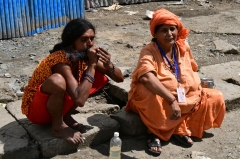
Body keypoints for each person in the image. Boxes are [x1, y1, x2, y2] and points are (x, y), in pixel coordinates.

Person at [125, 9, 225, 155]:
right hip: (162, 98)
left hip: (184, 97)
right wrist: (171, 99)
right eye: (164, 30)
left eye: (173, 29)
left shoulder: (183, 47)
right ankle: (154, 132)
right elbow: (146, 77)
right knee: (149, 94)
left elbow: (192, 69)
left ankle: (180, 128)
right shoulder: (149, 51)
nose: (169, 34)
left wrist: (194, 86)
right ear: (155, 33)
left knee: (216, 97)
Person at [21, 19, 124, 144]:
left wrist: (109, 65)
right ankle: (58, 127)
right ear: (71, 43)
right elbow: (80, 100)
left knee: (99, 76)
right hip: (36, 111)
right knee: (57, 80)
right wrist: (92, 65)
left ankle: (65, 116)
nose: (90, 44)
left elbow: (119, 79)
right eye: (84, 39)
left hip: (55, 107)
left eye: (92, 38)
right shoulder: (59, 60)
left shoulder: (82, 55)